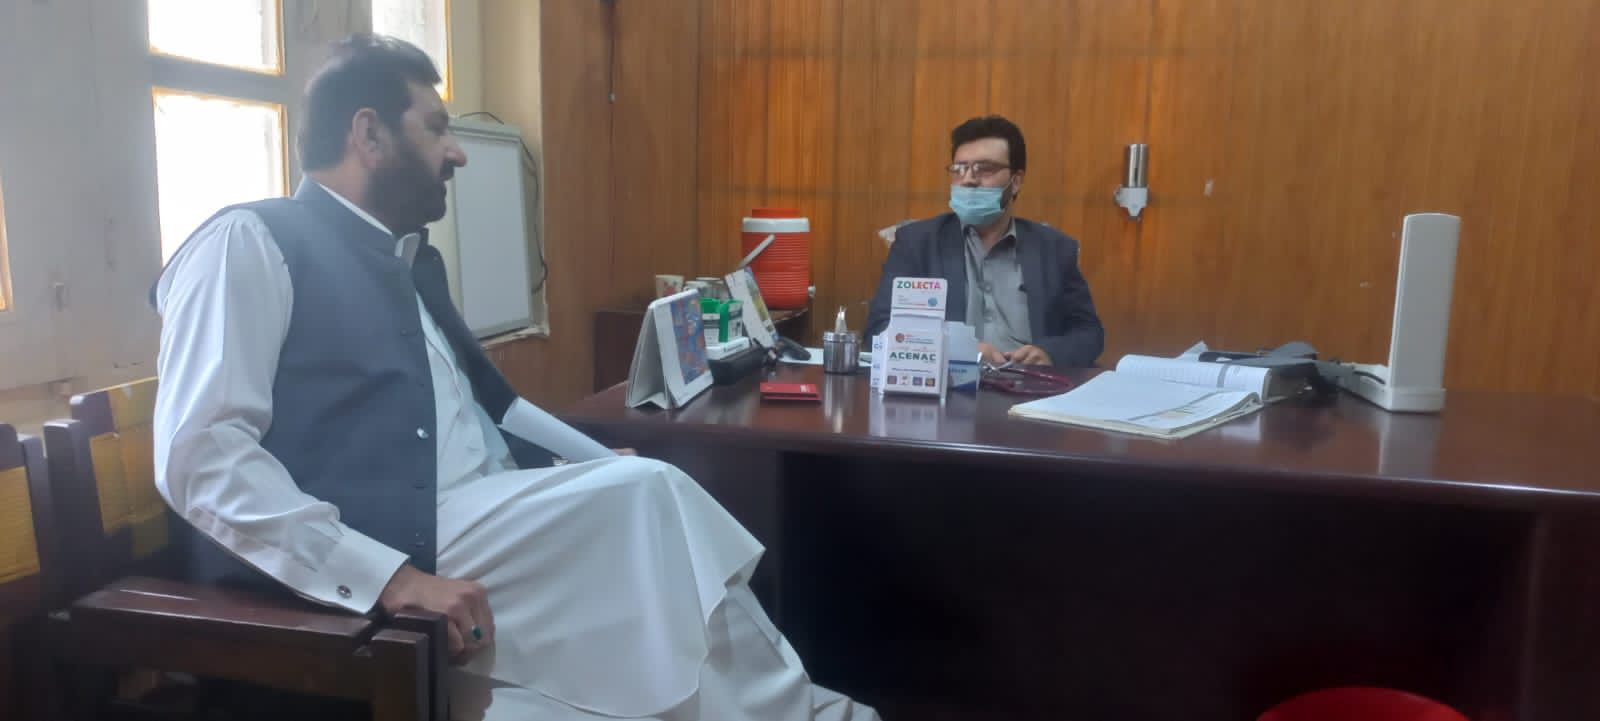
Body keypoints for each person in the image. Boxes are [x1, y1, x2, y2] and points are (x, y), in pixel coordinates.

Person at [151, 34, 877, 721]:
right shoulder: (249, 241)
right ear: (368, 135)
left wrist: (589, 462)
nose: (457, 151)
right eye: (436, 128)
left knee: (657, 525)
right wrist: (387, 576)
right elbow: (201, 455)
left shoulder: (409, 262)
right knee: (648, 498)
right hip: (389, 536)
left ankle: (796, 707)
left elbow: (496, 407)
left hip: (469, 518)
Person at [865, 115, 1104, 368]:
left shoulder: (1054, 249)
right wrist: (957, 348)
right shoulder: (917, 243)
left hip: (1030, 383)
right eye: (959, 169)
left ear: (1015, 181)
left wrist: (1049, 353)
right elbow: (880, 329)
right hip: (951, 382)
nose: (968, 179)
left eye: (984, 169)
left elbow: (1089, 332)